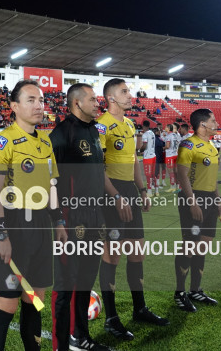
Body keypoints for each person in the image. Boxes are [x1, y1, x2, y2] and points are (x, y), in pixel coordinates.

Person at [0, 80, 65, 351]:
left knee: (36, 299)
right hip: (14, 223)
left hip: (42, 225)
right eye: (30, 100)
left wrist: (59, 221)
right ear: (14, 106)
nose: (38, 105)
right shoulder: (1, 142)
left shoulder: (45, 141)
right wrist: (0, 233)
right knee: (6, 304)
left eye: (40, 100)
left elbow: (52, 186)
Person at [97, 78, 167, 341]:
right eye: (124, 91)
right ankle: (111, 318)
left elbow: (134, 159)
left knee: (137, 253)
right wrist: (115, 196)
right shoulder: (102, 126)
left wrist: (143, 189)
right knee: (112, 255)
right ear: (111, 98)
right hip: (110, 192)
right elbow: (98, 168)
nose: (130, 95)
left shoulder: (128, 124)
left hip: (130, 191)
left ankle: (139, 309)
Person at [49, 84, 112, 351]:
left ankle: (80, 337)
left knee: (86, 277)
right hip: (71, 217)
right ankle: (59, 345)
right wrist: (58, 221)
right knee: (66, 283)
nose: (98, 103)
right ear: (77, 103)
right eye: (93, 99)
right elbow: (49, 182)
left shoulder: (94, 131)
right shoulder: (62, 134)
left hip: (95, 216)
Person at [174, 108, 221, 312]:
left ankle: (196, 289)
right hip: (194, 198)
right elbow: (181, 175)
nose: (216, 123)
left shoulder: (211, 145)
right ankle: (179, 293)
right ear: (203, 125)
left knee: (203, 245)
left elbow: (213, 176)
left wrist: (218, 200)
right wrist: (192, 202)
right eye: (213, 120)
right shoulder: (188, 145)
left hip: (210, 199)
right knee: (190, 246)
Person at [139, 120, 157, 196]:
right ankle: (156, 190)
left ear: (144, 126)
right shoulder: (152, 133)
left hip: (148, 157)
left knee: (148, 175)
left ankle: (149, 191)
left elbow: (145, 145)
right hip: (153, 155)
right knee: (152, 174)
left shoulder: (145, 135)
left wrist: (140, 150)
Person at [164, 123, 181, 191]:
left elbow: (167, 146)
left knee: (171, 172)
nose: (165, 128)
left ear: (168, 128)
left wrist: (163, 148)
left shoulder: (169, 136)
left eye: (166, 127)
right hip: (175, 154)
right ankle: (178, 186)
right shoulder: (176, 135)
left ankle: (172, 187)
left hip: (170, 155)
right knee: (176, 171)